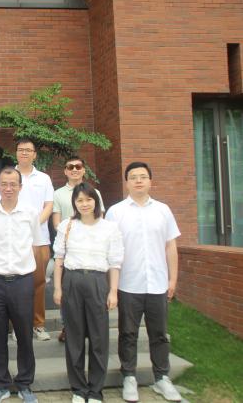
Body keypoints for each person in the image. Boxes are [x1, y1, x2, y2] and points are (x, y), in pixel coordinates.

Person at [105, 162, 183, 402]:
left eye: (143, 176)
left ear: (150, 181)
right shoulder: (116, 212)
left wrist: (172, 279)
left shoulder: (163, 210)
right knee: (128, 333)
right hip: (129, 284)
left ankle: (162, 378)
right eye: (133, 177)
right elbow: (110, 251)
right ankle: (129, 376)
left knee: (159, 334)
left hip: (158, 283)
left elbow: (170, 246)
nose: (138, 180)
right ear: (127, 182)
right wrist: (112, 287)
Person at [52, 183, 123, 403]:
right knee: (74, 338)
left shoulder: (109, 228)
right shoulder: (67, 226)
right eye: (79, 200)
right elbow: (59, 259)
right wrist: (58, 288)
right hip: (72, 281)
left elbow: (115, 263)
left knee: (99, 338)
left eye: (88, 199)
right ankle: (78, 389)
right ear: (74, 203)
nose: (84, 204)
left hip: (98, 282)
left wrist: (113, 291)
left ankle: (95, 390)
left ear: (96, 201)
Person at [0, 167, 42, 403]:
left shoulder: (30, 213)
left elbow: (36, 246)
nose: (8, 188)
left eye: (13, 184)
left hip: (22, 281)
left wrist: (21, 267)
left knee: (24, 334)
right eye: (4, 184)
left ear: (20, 187)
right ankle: (1, 384)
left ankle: (24, 383)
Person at [52, 156, 105, 342]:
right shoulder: (58, 194)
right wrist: (69, 238)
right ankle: (68, 326)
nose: (74, 169)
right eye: (70, 166)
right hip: (68, 247)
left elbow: (100, 218)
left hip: (91, 250)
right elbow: (56, 221)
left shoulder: (95, 193)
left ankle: (90, 328)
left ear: (83, 170)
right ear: (65, 171)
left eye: (78, 166)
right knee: (67, 292)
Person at [13, 138, 53, 341]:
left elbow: (48, 205)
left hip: (39, 239)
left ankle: (38, 325)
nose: (24, 153)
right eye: (21, 150)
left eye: (28, 150)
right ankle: (17, 326)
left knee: (38, 283)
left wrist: (34, 226)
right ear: (16, 153)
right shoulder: (8, 176)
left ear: (35, 154)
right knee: (15, 284)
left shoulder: (44, 178)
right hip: (14, 241)